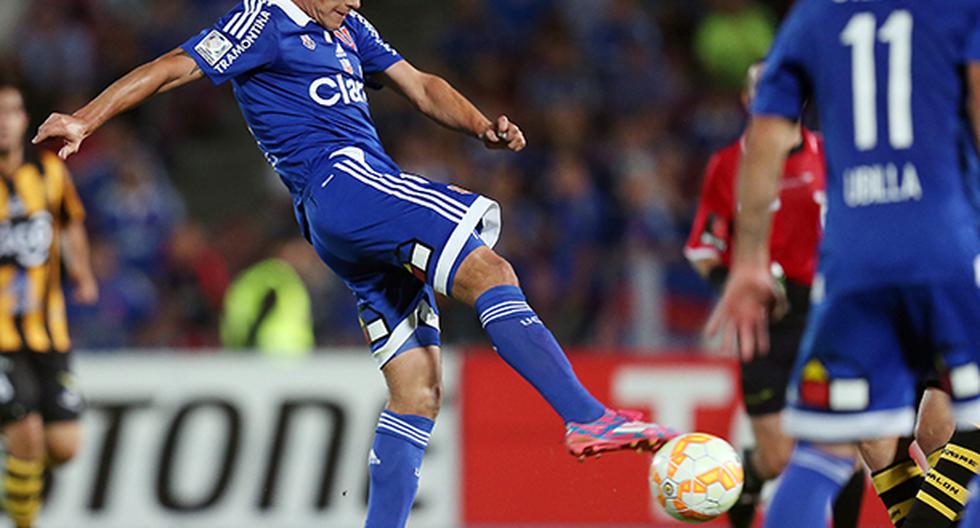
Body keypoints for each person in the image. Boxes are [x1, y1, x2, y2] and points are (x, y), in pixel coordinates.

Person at [30, 1, 678, 526]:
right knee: (491, 271)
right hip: (346, 185)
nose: (356, 2)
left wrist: (482, 127)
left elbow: (420, 86)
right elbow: (177, 66)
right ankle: (586, 416)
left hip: (341, 219)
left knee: (417, 387)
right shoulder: (263, 19)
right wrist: (86, 119)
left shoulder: (347, 27)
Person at [707, 2, 980, 528]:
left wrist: (748, 262)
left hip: (856, 257)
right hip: (947, 242)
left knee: (851, 444)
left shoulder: (811, 20)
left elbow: (766, 138)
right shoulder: (957, 11)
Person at [686, 62, 865, 528]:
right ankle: (746, 480)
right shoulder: (728, 165)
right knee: (779, 456)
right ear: (747, 100)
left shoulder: (833, 154)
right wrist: (738, 288)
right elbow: (704, 248)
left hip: (830, 313)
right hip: (765, 323)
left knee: (846, 443)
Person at [0, 72, 97, 528]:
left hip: (47, 330)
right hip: (0, 338)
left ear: (24, 120)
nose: (3, 122)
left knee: (64, 447)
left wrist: (81, 270)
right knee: (27, 436)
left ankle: (16, 480)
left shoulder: (49, 171)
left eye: (11, 112)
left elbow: (70, 220)